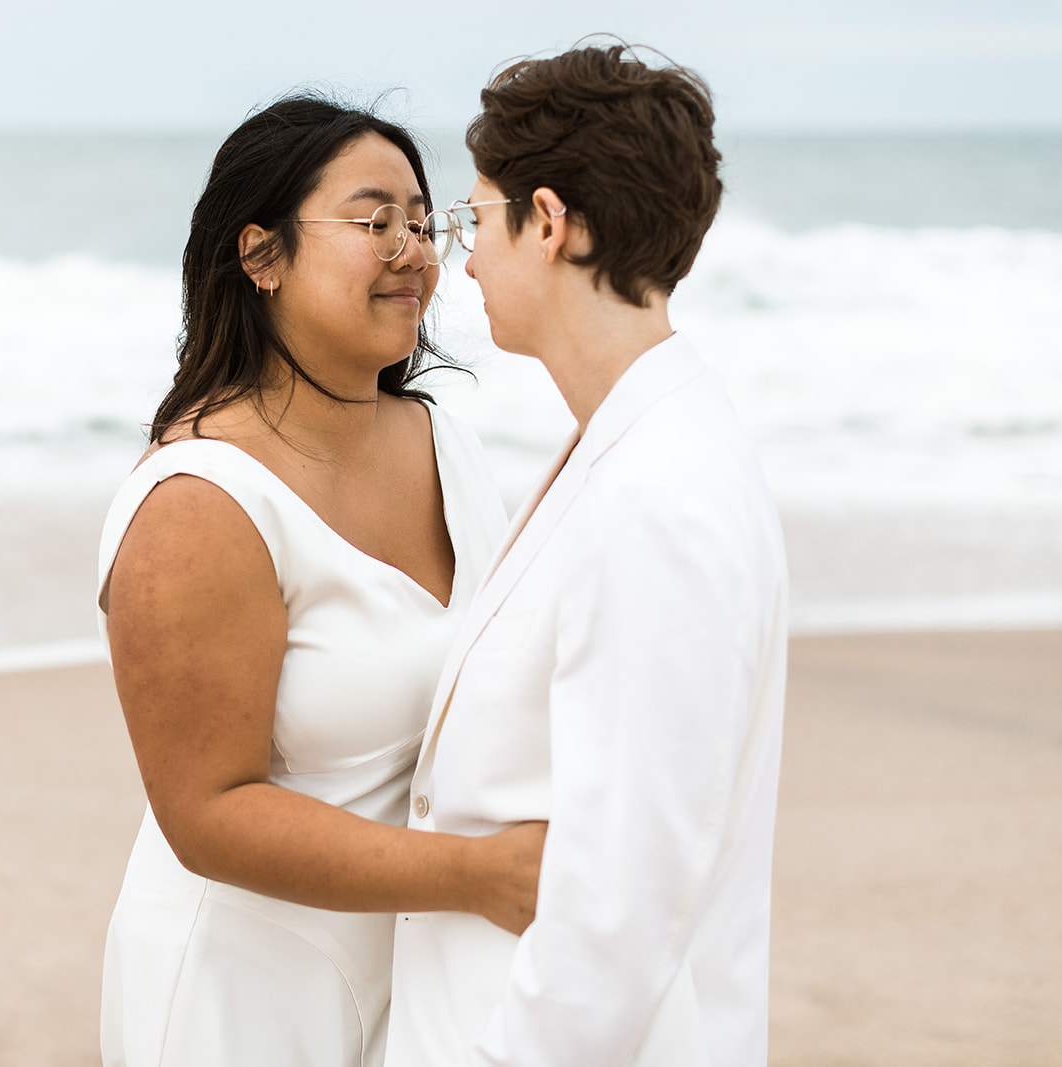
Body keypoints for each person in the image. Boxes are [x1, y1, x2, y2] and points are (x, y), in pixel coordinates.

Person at [94, 95, 546, 1067]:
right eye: (374, 220)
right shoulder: (198, 502)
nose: (414, 252)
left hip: (417, 981)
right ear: (261, 256)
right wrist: (477, 875)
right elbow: (205, 813)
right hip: (243, 1000)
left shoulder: (447, 442)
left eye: (422, 222)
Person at [385, 44, 789, 1067]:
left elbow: (621, 902)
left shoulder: (659, 494)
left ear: (549, 221)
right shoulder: (632, 444)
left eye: (476, 220)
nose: (463, 261)